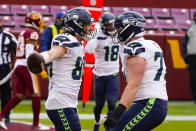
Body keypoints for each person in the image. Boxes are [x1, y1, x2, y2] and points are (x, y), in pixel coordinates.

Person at [27, 7, 96, 131]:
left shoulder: (78, 42)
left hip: (68, 102)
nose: (90, 28)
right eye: (87, 25)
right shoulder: (66, 39)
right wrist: (42, 58)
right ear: (77, 26)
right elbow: (54, 52)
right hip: (61, 103)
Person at [103, 11, 168, 131]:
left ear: (129, 29)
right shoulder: (151, 44)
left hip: (149, 103)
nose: (117, 32)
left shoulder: (135, 47)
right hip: (152, 103)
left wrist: (119, 111)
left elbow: (134, 84)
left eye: (119, 29)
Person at [0, 11, 49, 130]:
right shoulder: (32, 33)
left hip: (18, 66)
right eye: (40, 21)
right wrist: (39, 68)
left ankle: (1, 116)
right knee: (36, 94)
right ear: (34, 22)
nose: (41, 24)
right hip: (27, 66)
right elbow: (29, 53)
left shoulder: (24, 32)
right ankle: (36, 125)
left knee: (20, 95)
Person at [85, 12, 120, 131]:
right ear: (104, 25)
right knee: (99, 105)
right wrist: (96, 33)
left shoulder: (117, 34)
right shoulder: (98, 34)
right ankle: (97, 121)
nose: (112, 27)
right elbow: (88, 49)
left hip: (113, 74)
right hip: (99, 74)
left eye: (112, 24)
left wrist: (125, 68)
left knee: (112, 103)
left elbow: (123, 51)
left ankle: (109, 127)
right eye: (109, 25)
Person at [41, 11, 66, 91]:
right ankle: (51, 101)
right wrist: (46, 57)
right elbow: (44, 42)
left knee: (63, 83)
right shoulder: (50, 29)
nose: (63, 21)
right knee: (53, 82)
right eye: (62, 19)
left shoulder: (65, 29)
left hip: (63, 60)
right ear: (57, 19)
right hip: (53, 59)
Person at [0, 19, 18, 124]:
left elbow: (18, 50)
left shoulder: (8, 36)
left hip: (4, 68)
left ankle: (6, 116)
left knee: (6, 93)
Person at [182, 11, 196, 104]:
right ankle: (195, 98)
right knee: (193, 78)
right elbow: (185, 44)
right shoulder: (190, 29)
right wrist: (185, 57)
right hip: (192, 57)